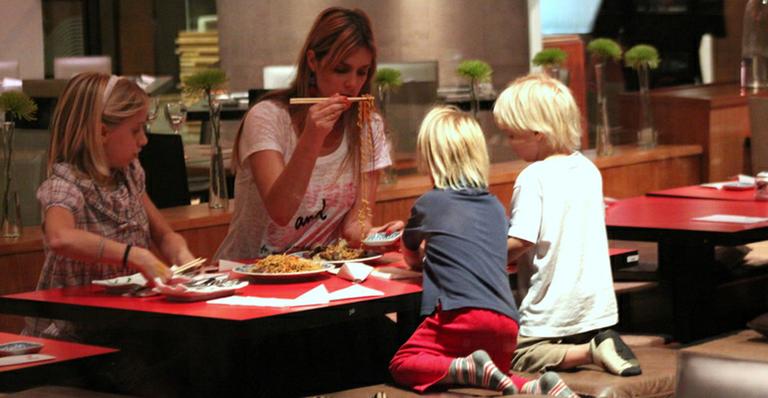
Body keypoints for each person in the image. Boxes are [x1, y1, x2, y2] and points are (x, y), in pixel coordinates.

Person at [389, 106, 577, 397]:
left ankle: (465, 366)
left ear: (428, 156)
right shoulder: (493, 206)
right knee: (496, 376)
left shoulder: (428, 203)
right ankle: (538, 387)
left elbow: (410, 251)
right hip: (506, 321)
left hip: (459, 314)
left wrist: (418, 260)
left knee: (403, 363)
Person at [214, 6, 399, 262]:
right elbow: (281, 211)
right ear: (313, 61)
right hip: (250, 271)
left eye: (362, 71)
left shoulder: (368, 126)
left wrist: (379, 236)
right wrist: (312, 137)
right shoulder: (268, 117)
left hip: (320, 272)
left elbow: (356, 225)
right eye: (341, 69)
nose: (352, 83)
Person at [25, 72, 194, 340]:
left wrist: (183, 258)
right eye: (136, 130)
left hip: (126, 324)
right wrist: (134, 255)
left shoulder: (130, 175)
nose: (144, 140)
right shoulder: (65, 184)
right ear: (102, 132)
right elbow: (60, 237)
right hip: (77, 333)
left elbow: (163, 234)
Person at [493, 73, 641, 377]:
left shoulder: (534, 177)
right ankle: (595, 343)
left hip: (551, 309)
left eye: (511, 134)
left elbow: (521, 242)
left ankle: (591, 351)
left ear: (537, 132)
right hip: (595, 310)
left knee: (512, 356)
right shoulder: (587, 169)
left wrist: (481, 254)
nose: (508, 144)